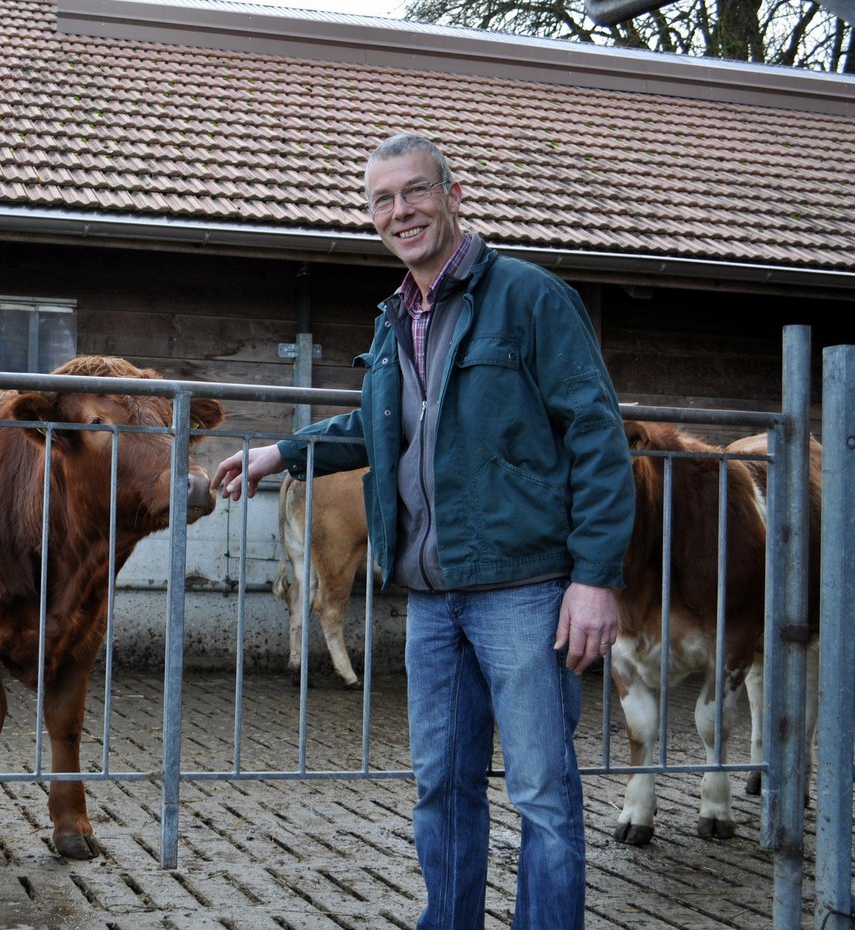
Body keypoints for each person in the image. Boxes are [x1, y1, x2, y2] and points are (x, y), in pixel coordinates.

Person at [212, 133, 634, 930]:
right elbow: (380, 425)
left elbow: (596, 435)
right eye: (382, 199)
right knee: (441, 787)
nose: (400, 211)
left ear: (452, 194)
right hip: (433, 598)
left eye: (415, 191)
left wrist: (595, 575)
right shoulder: (393, 318)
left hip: (525, 589)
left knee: (543, 794)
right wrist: (281, 453)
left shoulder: (530, 297)